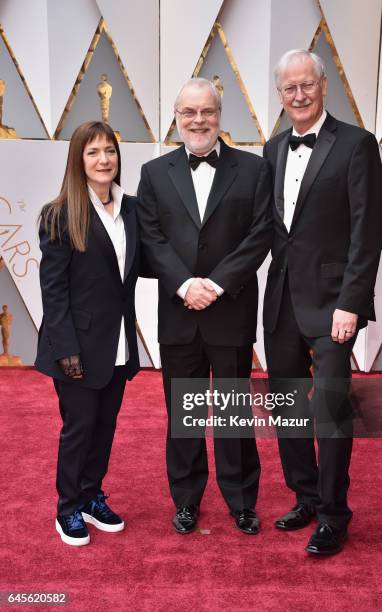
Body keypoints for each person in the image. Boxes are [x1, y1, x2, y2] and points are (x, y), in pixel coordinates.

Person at [137, 77, 272, 535]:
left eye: (207, 112)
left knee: (234, 412)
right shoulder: (154, 174)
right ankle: (187, 499)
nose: (198, 120)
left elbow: (261, 234)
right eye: (189, 113)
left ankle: (241, 500)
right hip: (178, 314)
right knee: (184, 414)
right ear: (176, 118)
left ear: (220, 115)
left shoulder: (253, 169)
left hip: (229, 309)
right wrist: (183, 285)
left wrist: (215, 284)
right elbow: (151, 238)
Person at [263, 50, 382, 555]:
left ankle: (335, 515)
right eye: (289, 88)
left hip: (335, 304)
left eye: (306, 85)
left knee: (330, 411)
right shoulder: (271, 150)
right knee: (288, 407)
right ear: (281, 94)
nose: (298, 95)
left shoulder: (356, 144)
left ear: (323, 85)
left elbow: (368, 231)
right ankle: (306, 495)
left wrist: (351, 302)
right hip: (281, 301)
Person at [35, 121, 141, 546]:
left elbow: (140, 265)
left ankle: (92, 494)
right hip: (75, 346)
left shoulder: (131, 209)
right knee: (78, 428)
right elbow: (53, 290)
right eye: (93, 152)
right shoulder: (60, 214)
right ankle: (67, 509)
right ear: (78, 160)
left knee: (105, 426)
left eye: (110, 151)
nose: (104, 160)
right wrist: (65, 348)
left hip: (117, 342)